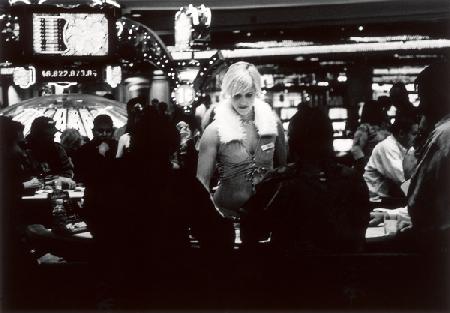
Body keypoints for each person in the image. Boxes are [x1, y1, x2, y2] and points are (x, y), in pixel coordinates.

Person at [84, 106, 233, 308]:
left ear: (133, 142)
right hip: (171, 282)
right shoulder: (182, 183)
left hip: (118, 282)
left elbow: (92, 219)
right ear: (172, 146)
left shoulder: (108, 177)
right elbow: (215, 234)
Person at [240, 105, 370, 253]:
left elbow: (250, 233)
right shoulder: (354, 180)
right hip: (346, 273)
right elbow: (358, 236)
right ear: (330, 139)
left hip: (291, 272)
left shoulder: (278, 181)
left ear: (293, 141)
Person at [197, 61, 287, 220]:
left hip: (266, 215)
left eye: (249, 94)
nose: (243, 102)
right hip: (225, 213)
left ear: (257, 92)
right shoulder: (214, 131)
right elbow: (201, 184)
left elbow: (284, 172)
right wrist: (212, 220)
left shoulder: (273, 124)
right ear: (228, 94)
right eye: (237, 95)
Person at [406, 61, 450, 251]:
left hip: (439, 246)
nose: (420, 105)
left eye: (422, 97)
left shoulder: (443, 135)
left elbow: (418, 202)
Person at [363, 116, 418, 202]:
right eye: (414, 134)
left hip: (389, 195)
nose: (417, 137)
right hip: (374, 199)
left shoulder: (408, 147)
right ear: (401, 134)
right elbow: (402, 179)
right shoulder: (387, 146)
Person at [23, 116, 75, 187]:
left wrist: (61, 179)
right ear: (38, 135)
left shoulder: (58, 149)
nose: (52, 138)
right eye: (48, 135)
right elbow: (24, 177)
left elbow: (68, 171)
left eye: (53, 135)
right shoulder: (25, 150)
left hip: (56, 189)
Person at [73, 114, 117, 185]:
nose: (104, 134)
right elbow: (80, 176)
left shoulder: (118, 148)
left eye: (108, 131)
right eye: (100, 131)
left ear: (112, 132)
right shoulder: (83, 151)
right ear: (93, 131)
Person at [351, 99, 391, 173]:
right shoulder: (365, 128)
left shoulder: (384, 127)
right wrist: (364, 164)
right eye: (380, 109)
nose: (382, 112)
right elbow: (356, 148)